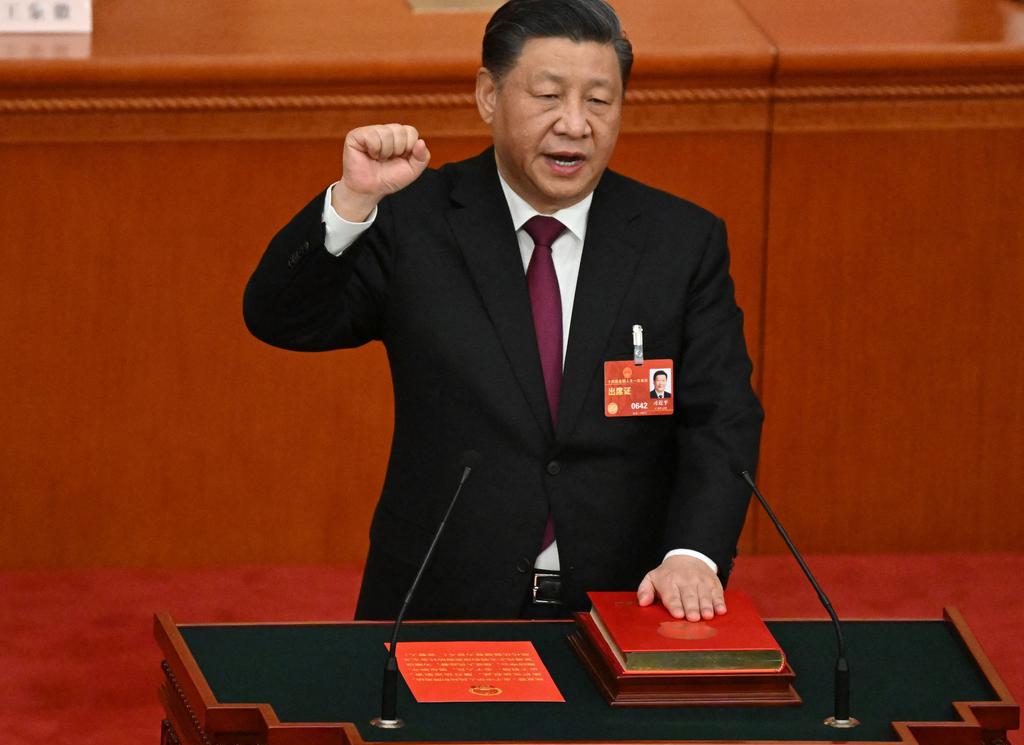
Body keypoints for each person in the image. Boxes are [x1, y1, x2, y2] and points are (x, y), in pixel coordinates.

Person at [244, 0, 762, 622]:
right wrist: (352, 201)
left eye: (600, 101)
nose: (575, 124)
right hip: (443, 599)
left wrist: (693, 554)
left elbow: (721, 416)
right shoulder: (415, 221)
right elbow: (282, 319)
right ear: (489, 96)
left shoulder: (680, 241)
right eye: (548, 96)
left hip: (625, 602)